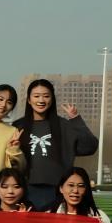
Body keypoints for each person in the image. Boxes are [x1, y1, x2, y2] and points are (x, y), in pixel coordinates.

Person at [13, 78, 99, 210]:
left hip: (57, 192)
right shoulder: (18, 126)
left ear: (52, 99)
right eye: (36, 96)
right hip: (25, 190)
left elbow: (90, 147)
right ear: (29, 100)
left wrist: (76, 119)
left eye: (46, 96)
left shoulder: (64, 126)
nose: (41, 100)